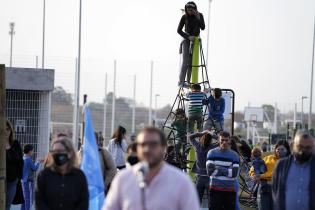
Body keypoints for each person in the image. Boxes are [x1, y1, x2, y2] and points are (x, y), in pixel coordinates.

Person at [103, 127, 200, 210]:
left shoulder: (181, 182)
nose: (147, 149)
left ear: (163, 147)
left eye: (153, 144)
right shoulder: (123, 179)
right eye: (143, 144)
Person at [35, 138, 88, 210]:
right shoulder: (44, 175)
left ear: (70, 153)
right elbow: (39, 201)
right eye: (54, 151)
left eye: (60, 151)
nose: (56, 154)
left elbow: (83, 202)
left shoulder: (79, 176)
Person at [272, 130, 315, 210]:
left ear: (313, 148)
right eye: (300, 147)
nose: (303, 151)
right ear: (293, 145)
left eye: (307, 148)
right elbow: (275, 190)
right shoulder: (281, 165)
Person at [249, 140, 291, 210]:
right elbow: (254, 167)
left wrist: (262, 176)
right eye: (278, 149)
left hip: (280, 191)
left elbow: (278, 174)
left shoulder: (289, 161)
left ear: (287, 150)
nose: (279, 151)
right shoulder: (268, 158)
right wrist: (254, 175)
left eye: (282, 149)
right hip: (264, 189)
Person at [206, 131, 240, 210]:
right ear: (218, 140)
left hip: (230, 190)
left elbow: (233, 174)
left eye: (226, 140)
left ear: (229, 140)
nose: (224, 142)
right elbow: (210, 172)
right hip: (215, 190)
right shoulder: (211, 153)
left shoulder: (235, 155)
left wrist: (218, 167)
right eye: (222, 140)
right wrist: (227, 170)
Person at [177, 1, 205, 86]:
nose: (189, 12)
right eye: (188, 10)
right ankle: (181, 82)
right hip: (187, 39)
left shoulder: (199, 15)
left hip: (196, 40)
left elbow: (203, 27)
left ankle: (189, 82)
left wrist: (198, 18)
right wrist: (188, 37)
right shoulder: (184, 17)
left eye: (191, 10)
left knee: (192, 62)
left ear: (194, 9)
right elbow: (179, 30)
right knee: (185, 60)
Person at [189, 130, 216, 204]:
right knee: (211, 203)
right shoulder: (213, 148)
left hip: (199, 177)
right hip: (210, 178)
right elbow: (221, 141)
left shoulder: (198, 146)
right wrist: (211, 134)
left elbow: (191, 137)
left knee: (197, 202)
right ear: (210, 140)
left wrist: (201, 133)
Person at [5, 119, 24, 210]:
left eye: (8, 129)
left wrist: (18, 178)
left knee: (6, 207)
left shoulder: (15, 144)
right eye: (4, 129)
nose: (6, 131)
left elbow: (20, 161)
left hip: (12, 181)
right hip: (1, 180)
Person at [21, 144, 42, 210]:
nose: (33, 152)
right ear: (29, 151)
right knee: (28, 198)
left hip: (23, 180)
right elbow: (34, 168)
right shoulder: (29, 159)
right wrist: (38, 162)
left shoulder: (23, 158)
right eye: (33, 151)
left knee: (24, 197)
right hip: (29, 180)